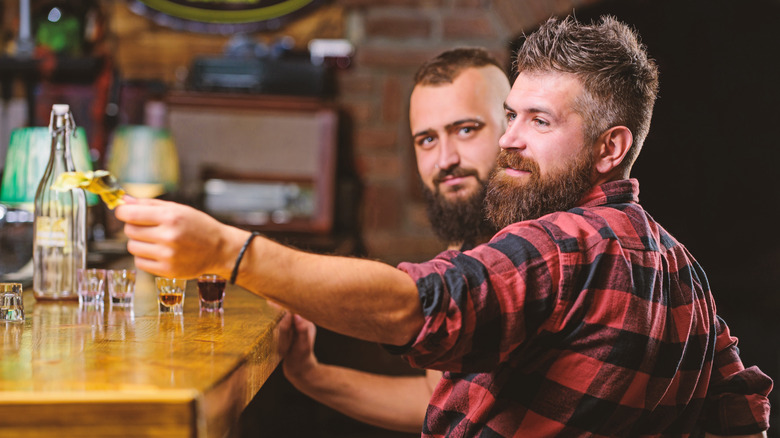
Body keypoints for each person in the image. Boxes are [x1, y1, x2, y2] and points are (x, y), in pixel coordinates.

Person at [115, 16, 772, 437]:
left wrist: (230, 249)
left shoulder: (566, 242)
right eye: (510, 117)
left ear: (610, 148)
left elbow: (421, 307)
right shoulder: (687, 270)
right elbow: (745, 414)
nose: (510, 142)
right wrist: (314, 377)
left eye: (538, 123)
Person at [280, 48, 510, 434]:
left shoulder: (540, 243)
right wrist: (310, 376)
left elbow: (401, 309)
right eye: (426, 140)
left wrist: (237, 255)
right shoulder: (466, 245)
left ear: (512, 130)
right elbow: (438, 401)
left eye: (466, 129)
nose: (444, 159)